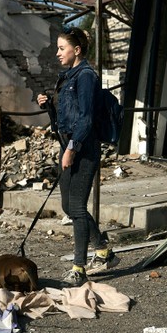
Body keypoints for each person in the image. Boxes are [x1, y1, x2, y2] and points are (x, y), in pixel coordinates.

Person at [37, 28, 119, 286]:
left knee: (78, 207)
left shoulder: (86, 77)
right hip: (69, 144)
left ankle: (78, 267)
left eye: (62, 48)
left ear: (77, 50)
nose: (58, 53)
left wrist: (72, 149)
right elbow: (66, 115)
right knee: (67, 206)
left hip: (84, 147)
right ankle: (103, 249)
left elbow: (86, 119)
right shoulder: (68, 76)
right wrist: (48, 104)